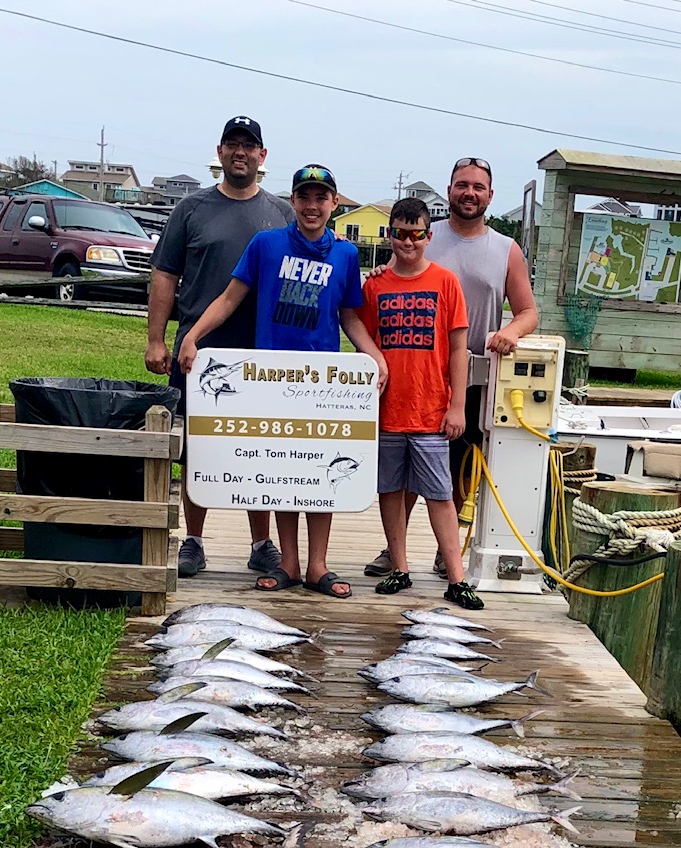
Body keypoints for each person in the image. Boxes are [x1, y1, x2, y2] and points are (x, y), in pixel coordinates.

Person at [178, 164, 388, 599]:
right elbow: (231, 297)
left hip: (322, 383)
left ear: (333, 203)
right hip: (270, 380)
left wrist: (374, 356)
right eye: (304, 197)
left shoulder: (346, 255)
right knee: (285, 470)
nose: (312, 206)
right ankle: (289, 562)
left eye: (321, 198)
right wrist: (193, 335)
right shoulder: (266, 244)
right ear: (291, 201)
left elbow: (349, 315)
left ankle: (318, 565)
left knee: (321, 469)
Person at [364, 156, 538, 579]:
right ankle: (395, 550)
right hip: (413, 373)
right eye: (462, 185)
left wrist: (512, 331)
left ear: (490, 195)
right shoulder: (424, 233)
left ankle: (448, 551)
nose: (469, 193)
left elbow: (529, 311)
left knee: (457, 469)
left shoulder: (505, 248)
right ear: (449, 190)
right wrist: (376, 273)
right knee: (401, 472)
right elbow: (392, 276)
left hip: (473, 375)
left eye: (478, 187)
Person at [145, 116, 292, 578]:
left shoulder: (282, 212)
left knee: (260, 448)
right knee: (198, 446)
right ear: (220, 153)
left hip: (263, 350)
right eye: (233, 145)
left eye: (250, 146)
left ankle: (261, 542)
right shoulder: (190, 209)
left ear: (263, 156)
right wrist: (155, 338)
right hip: (199, 347)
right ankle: (194, 539)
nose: (241, 153)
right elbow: (165, 276)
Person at [358, 197, 481, 610]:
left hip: (431, 411)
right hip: (387, 411)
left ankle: (457, 577)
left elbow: (458, 347)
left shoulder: (446, 282)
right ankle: (399, 567)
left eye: (416, 235)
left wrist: (457, 406)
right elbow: (360, 332)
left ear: (429, 237)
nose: (407, 242)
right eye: (399, 234)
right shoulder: (373, 285)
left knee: (440, 495)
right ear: (388, 234)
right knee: (390, 491)